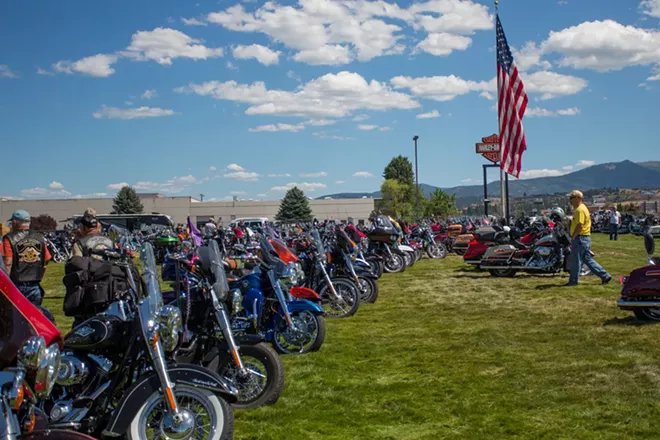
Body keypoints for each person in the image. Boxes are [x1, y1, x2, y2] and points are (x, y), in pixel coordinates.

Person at [1, 210, 51, 306]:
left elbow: (7, 263)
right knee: (34, 316)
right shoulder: (39, 237)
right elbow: (46, 259)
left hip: (17, 285)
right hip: (35, 285)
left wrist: (6, 285)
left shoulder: (9, 238)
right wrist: (39, 275)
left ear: (15, 222)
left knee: (16, 318)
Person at [566, 190, 611, 286]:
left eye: (571, 198)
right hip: (584, 238)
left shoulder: (579, 210)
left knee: (576, 260)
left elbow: (580, 225)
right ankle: (605, 275)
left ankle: (573, 281)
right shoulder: (582, 208)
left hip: (579, 238)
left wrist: (573, 236)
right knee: (587, 259)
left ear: (578, 198)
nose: (570, 200)